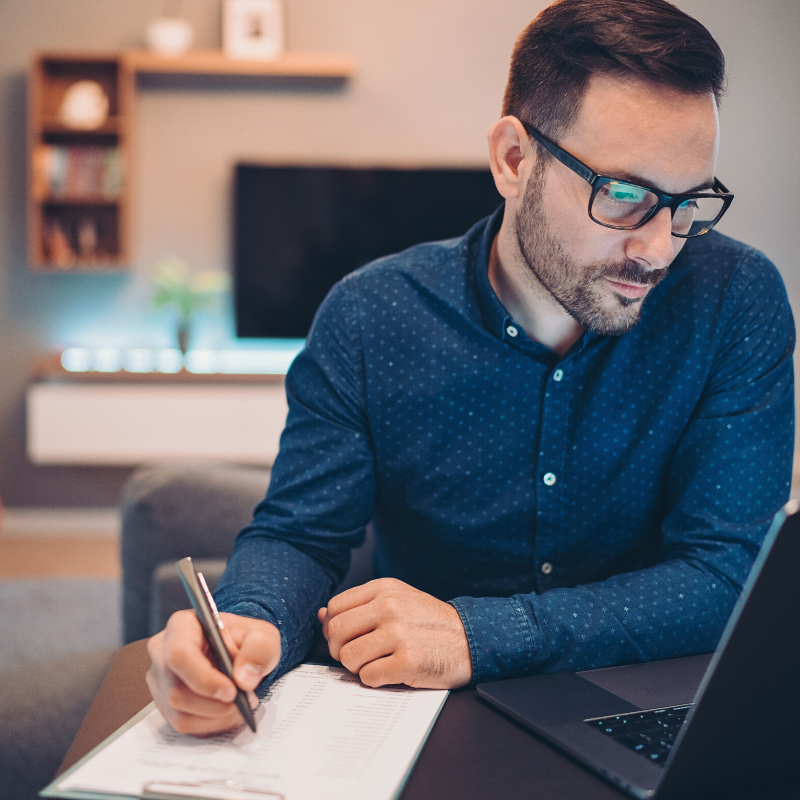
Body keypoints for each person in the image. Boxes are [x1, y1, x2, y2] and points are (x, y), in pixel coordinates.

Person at [147, 0, 794, 735]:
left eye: (688, 203)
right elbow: (300, 536)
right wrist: (249, 627)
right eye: (624, 196)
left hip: (650, 714)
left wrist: (479, 634)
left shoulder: (737, 301)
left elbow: (726, 574)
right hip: (424, 721)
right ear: (515, 160)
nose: (659, 248)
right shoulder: (370, 318)